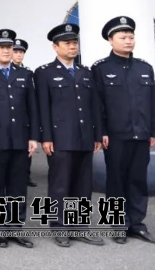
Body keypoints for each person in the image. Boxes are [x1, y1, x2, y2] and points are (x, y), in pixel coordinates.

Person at [35, 23, 103, 248]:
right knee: (60, 185)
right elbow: (43, 107)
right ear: (55, 47)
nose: (72, 47)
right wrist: (46, 137)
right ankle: (59, 227)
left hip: (84, 137)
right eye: (67, 43)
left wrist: (97, 134)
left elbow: (94, 106)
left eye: (75, 43)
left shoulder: (86, 72)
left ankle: (79, 227)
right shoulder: (45, 73)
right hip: (60, 138)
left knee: (83, 185)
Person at [93, 16, 155, 244]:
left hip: (141, 134)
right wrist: (101, 132)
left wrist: (152, 131)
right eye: (122, 37)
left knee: (138, 180)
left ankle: (136, 224)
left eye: (131, 36)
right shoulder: (101, 68)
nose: (128, 41)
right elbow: (97, 104)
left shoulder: (145, 68)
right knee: (116, 180)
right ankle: (118, 225)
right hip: (115, 135)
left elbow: (151, 102)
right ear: (111, 40)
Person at [0, 29, 38, 248]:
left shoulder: (25, 74)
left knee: (18, 185)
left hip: (21, 137)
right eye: (1, 47)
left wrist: (33, 136)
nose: (6, 51)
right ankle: (0, 228)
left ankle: (15, 227)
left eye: (9, 47)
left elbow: (32, 107)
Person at [12, 38, 37, 188]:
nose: (19, 55)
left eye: (21, 52)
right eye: (16, 51)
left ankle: (26, 176)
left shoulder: (27, 73)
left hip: (24, 118)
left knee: (27, 151)